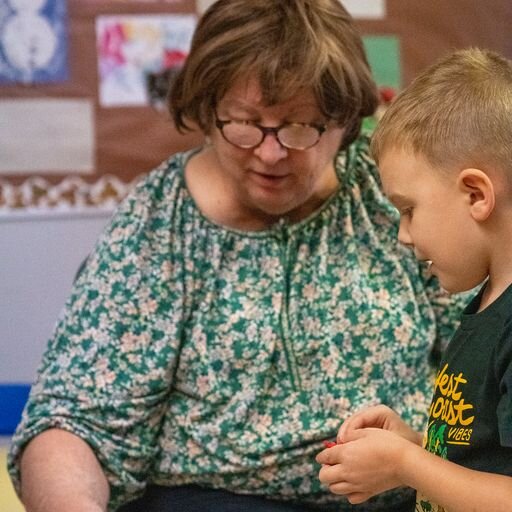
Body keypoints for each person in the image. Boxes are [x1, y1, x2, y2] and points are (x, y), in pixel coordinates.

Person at [8, 1, 467, 511]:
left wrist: (430, 462)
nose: (270, 153)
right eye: (244, 123)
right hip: (210, 499)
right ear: (207, 111)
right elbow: (74, 422)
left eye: (299, 127)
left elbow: (482, 351)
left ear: (344, 120)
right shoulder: (159, 221)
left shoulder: (391, 194)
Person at [316, 48, 512, 512]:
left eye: (408, 210)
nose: (403, 236)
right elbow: (486, 460)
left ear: (476, 194)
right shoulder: (486, 303)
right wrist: (421, 446)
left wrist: (406, 464)